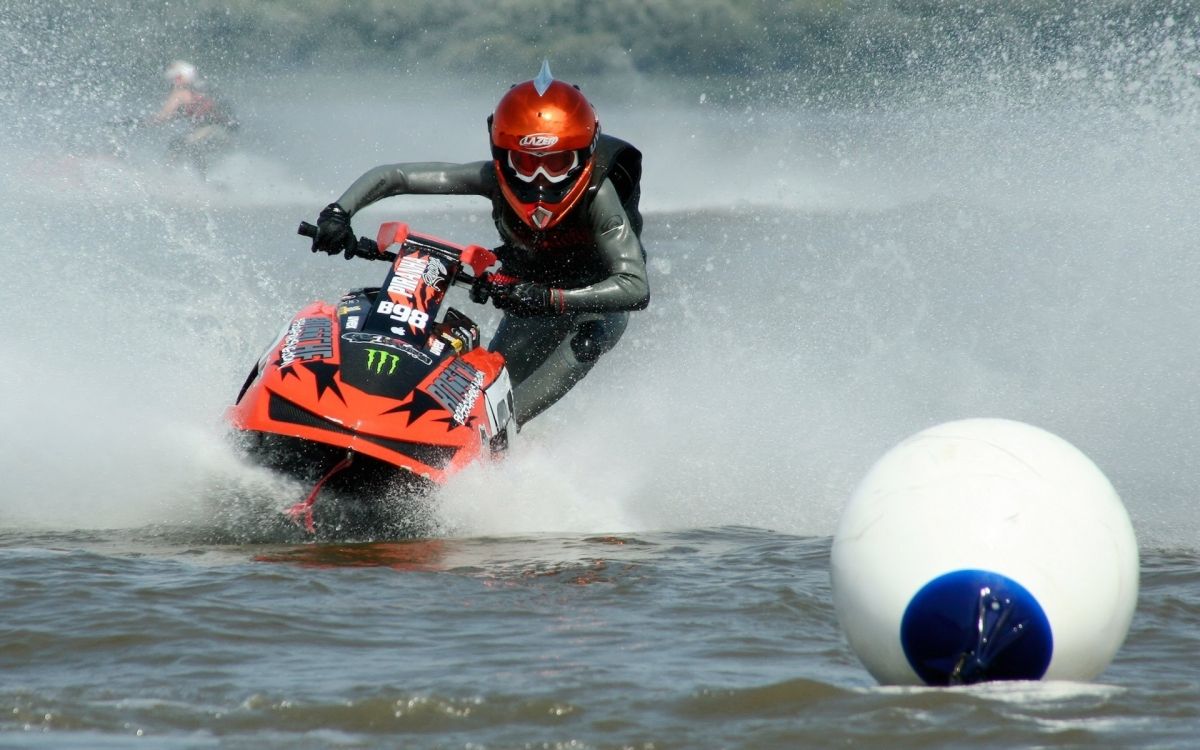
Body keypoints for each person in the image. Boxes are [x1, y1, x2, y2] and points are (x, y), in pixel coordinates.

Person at [311, 61, 649, 428]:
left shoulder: (600, 197)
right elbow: (395, 176)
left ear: (585, 154)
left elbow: (635, 287)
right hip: (527, 290)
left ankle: (501, 434)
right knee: (490, 382)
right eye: (524, 163)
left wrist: (552, 298)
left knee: (589, 339)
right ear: (502, 155)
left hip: (596, 296)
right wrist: (338, 213)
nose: (539, 180)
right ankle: (395, 412)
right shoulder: (492, 178)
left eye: (557, 164)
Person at [149, 60, 237, 179]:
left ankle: (167, 176)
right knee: (188, 144)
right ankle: (204, 180)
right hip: (227, 133)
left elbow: (161, 118)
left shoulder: (182, 93)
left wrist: (130, 122)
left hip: (215, 131)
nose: (174, 82)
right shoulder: (205, 87)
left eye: (176, 78)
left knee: (182, 144)